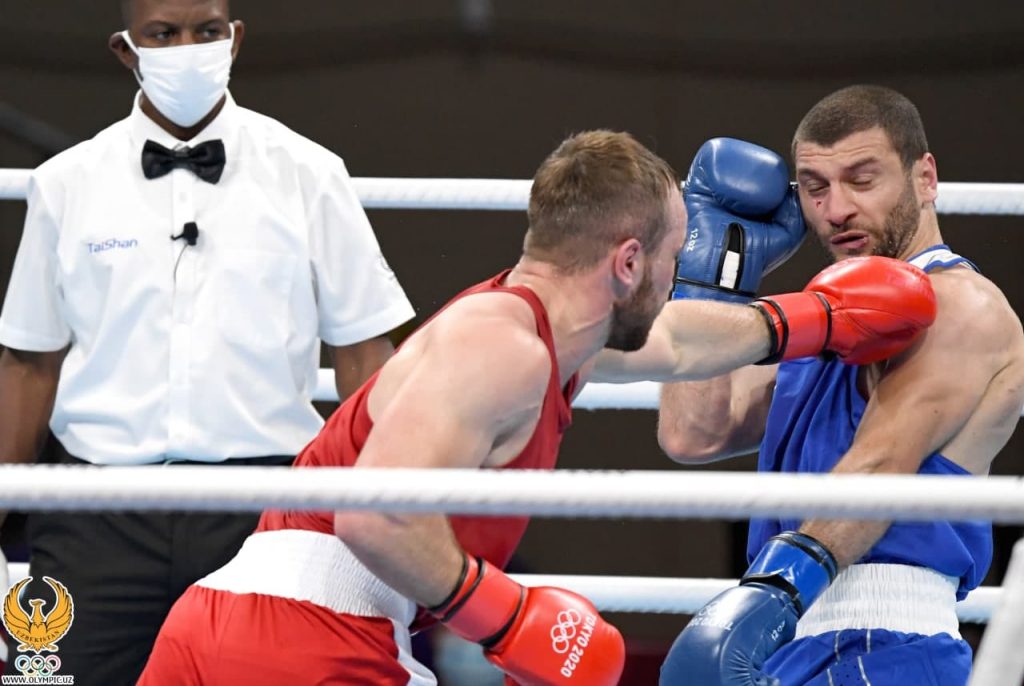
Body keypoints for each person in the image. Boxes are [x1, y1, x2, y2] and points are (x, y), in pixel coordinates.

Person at [135, 127, 937, 686]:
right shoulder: (503, 350)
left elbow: (680, 342)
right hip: (312, 636)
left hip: (237, 622)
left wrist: (815, 319)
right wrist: (508, 619)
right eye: (672, 259)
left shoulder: (548, 333)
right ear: (629, 262)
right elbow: (373, 517)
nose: (675, 281)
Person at [0, 0, 415, 683]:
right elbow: (28, 364)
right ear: (126, 49)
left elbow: (364, 355)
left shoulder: (309, 173)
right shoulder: (65, 183)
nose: (188, 47)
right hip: (95, 514)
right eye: (164, 33)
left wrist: (382, 509)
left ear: (236, 38)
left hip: (264, 509)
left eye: (207, 31)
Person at [658, 85, 1024, 686]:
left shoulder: (962, 304)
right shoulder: (831, 321)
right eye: (815, 187)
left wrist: (768, 597)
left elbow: (878, 467)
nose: (836, 209)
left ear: (925, 177)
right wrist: (719, 270)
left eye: (862, 179)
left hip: (889, 638)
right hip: (796, 633)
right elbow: (694, 432)